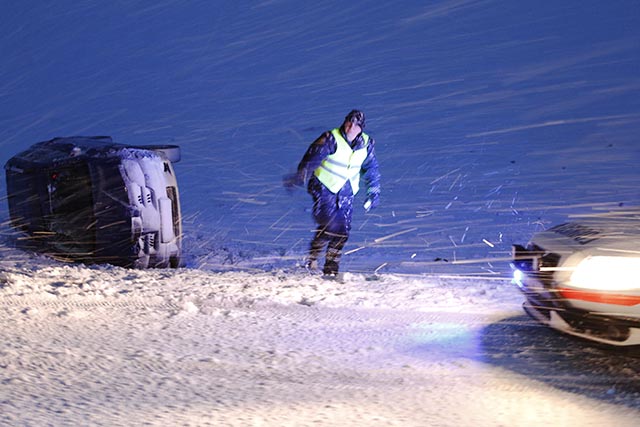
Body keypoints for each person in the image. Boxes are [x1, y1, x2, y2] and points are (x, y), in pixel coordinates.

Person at [283, 110, 381, 278]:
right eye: (348, 123)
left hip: (347, 191)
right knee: (331, 226)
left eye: (355, 125)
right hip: (324, 187)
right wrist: (300, 175)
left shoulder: (366, 143)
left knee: (343, 232)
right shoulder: (331, 139)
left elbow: (371, 168)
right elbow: (312, 158)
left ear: (361, 128)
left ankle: (331, 268)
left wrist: (373, 191)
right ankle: (314, 256)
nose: (350, 127)